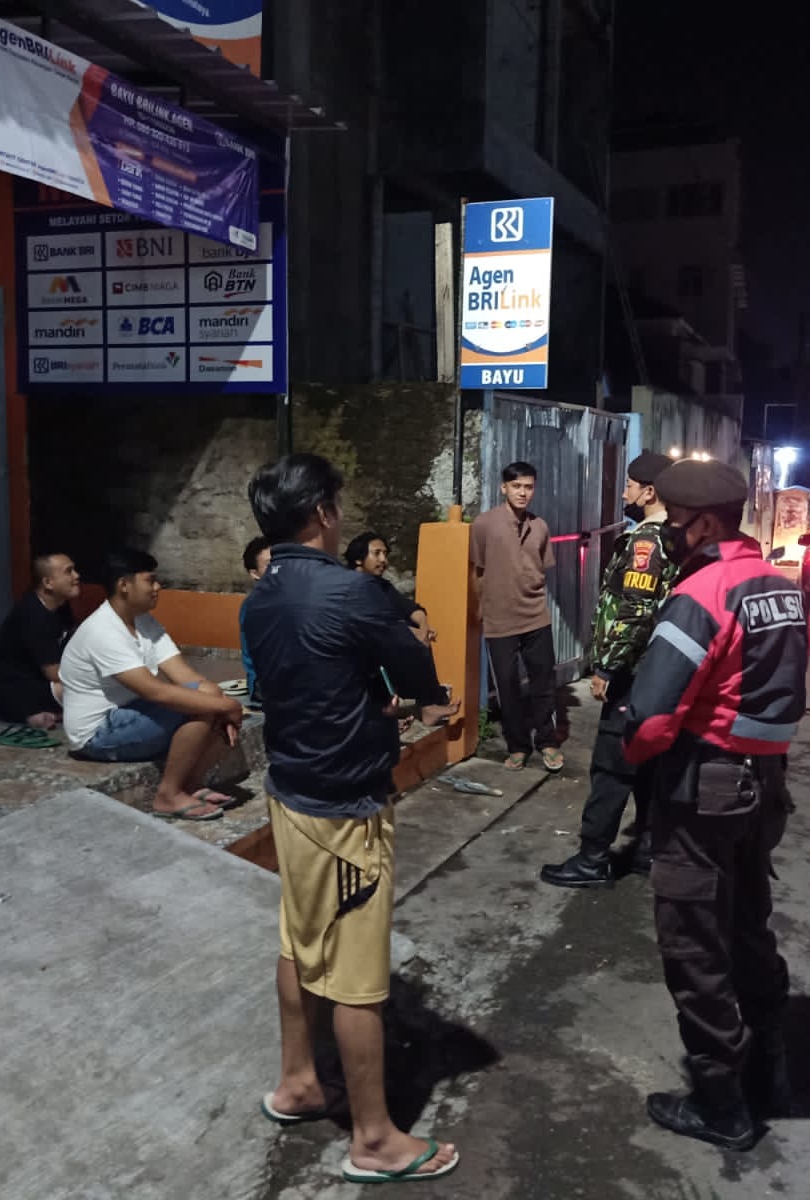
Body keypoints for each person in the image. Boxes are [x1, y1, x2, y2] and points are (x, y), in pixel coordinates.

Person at [244, 454, 461, 1185]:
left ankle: (299, 1081)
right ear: (325, 513)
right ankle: (374, 1140)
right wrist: (416, 699)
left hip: (290, 789)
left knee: (298, 941)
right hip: (345, 805)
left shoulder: (261, 593)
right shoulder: (352, 592)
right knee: (359, 978)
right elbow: (420, 675)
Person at [622, 458, 808, 1151]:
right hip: (765, 785)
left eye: (672, 520)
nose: (668, 531)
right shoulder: (778, 587)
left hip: (704, 784)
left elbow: (649, 716)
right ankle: (770, 1072)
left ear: (702, 523)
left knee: (694, 942)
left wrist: (638, 757)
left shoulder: (702, 592)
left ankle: (722, 1102)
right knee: (749, 927)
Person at [541, 451, 679, 888]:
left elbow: (635, 611)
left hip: (633, 672)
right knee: (648, 766)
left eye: (630, 485)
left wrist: (607, 666)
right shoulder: (675, 536)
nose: (624, 492)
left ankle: (593, 859)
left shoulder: (647, 543)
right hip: (658, 672)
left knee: (611, 767)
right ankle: (649, 850)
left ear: (649, 492)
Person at [59, 549, 245, 821]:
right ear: (124, 585)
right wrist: (226, 705)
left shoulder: (144, 622)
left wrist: (218, 699)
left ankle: (190, 784)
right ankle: (168, 795)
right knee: (205, 706)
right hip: (97, 734)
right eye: (150, 580)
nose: (158, 587)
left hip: (131, 714)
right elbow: (154, 691)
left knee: (209, 696)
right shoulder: (102, 631)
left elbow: (187, 678)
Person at [470, 461, 562, 772]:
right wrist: (482, 607)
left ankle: (547, 741)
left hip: (536, 616)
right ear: (504, 488)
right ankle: (518, 745)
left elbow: (540, 569)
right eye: (517, 486)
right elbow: (477, 571)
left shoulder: (540, 526)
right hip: (500, 619)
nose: (523, 493)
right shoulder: (484, 525)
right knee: (507, 687)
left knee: (544, 682)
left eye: (528, 487)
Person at [0, 553, 81, 729]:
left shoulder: (61, 606)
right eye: (68, 572)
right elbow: (55, 674)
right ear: (48, 583)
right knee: (87, 687)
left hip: (40, 683)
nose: (76, 576)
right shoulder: (33, 616)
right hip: (14, 694)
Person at [345, 530, 435, 646]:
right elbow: (374, 624)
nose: (384, 560)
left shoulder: (382, 585)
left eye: (385, 554)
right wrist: (413, 633)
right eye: (377, 553)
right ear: (358, 559)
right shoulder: (349, 587)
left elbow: (411, 608)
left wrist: (424, 630)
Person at [240, 535, 272, 707]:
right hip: (265, 684)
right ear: (254, 573)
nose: (277, 569)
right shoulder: (256, 605)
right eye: (269, 564)